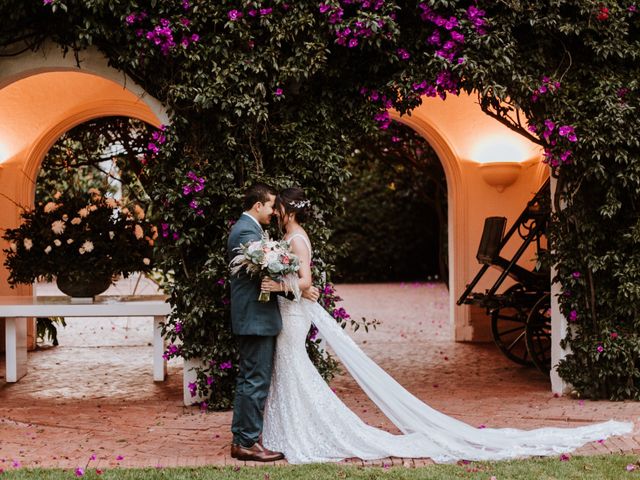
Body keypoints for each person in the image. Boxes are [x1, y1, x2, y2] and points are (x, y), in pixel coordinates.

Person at [258, 187, 634, 464]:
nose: (275, 213)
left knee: (292, 367)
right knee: (291, 369)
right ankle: (292, 428)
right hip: (292, 313)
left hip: (292, 315)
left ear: (288, 210)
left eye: (278, 208)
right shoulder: (290, 238)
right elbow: (306, 284)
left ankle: (304, 431)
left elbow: (305, 282)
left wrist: (276, 284)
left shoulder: (296, 240)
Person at [227, 182, 319, 462]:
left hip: (258, 317)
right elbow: (264, 274)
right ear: (258, 206)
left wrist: (298, 286)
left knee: (251, 378)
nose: (273, 212)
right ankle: (246, 442)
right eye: (270, 206)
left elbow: (277, 271)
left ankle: (244, 438)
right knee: (254, 380)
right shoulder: (246, 230)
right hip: (255, 318)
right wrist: (297, 287)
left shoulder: (253, 230)